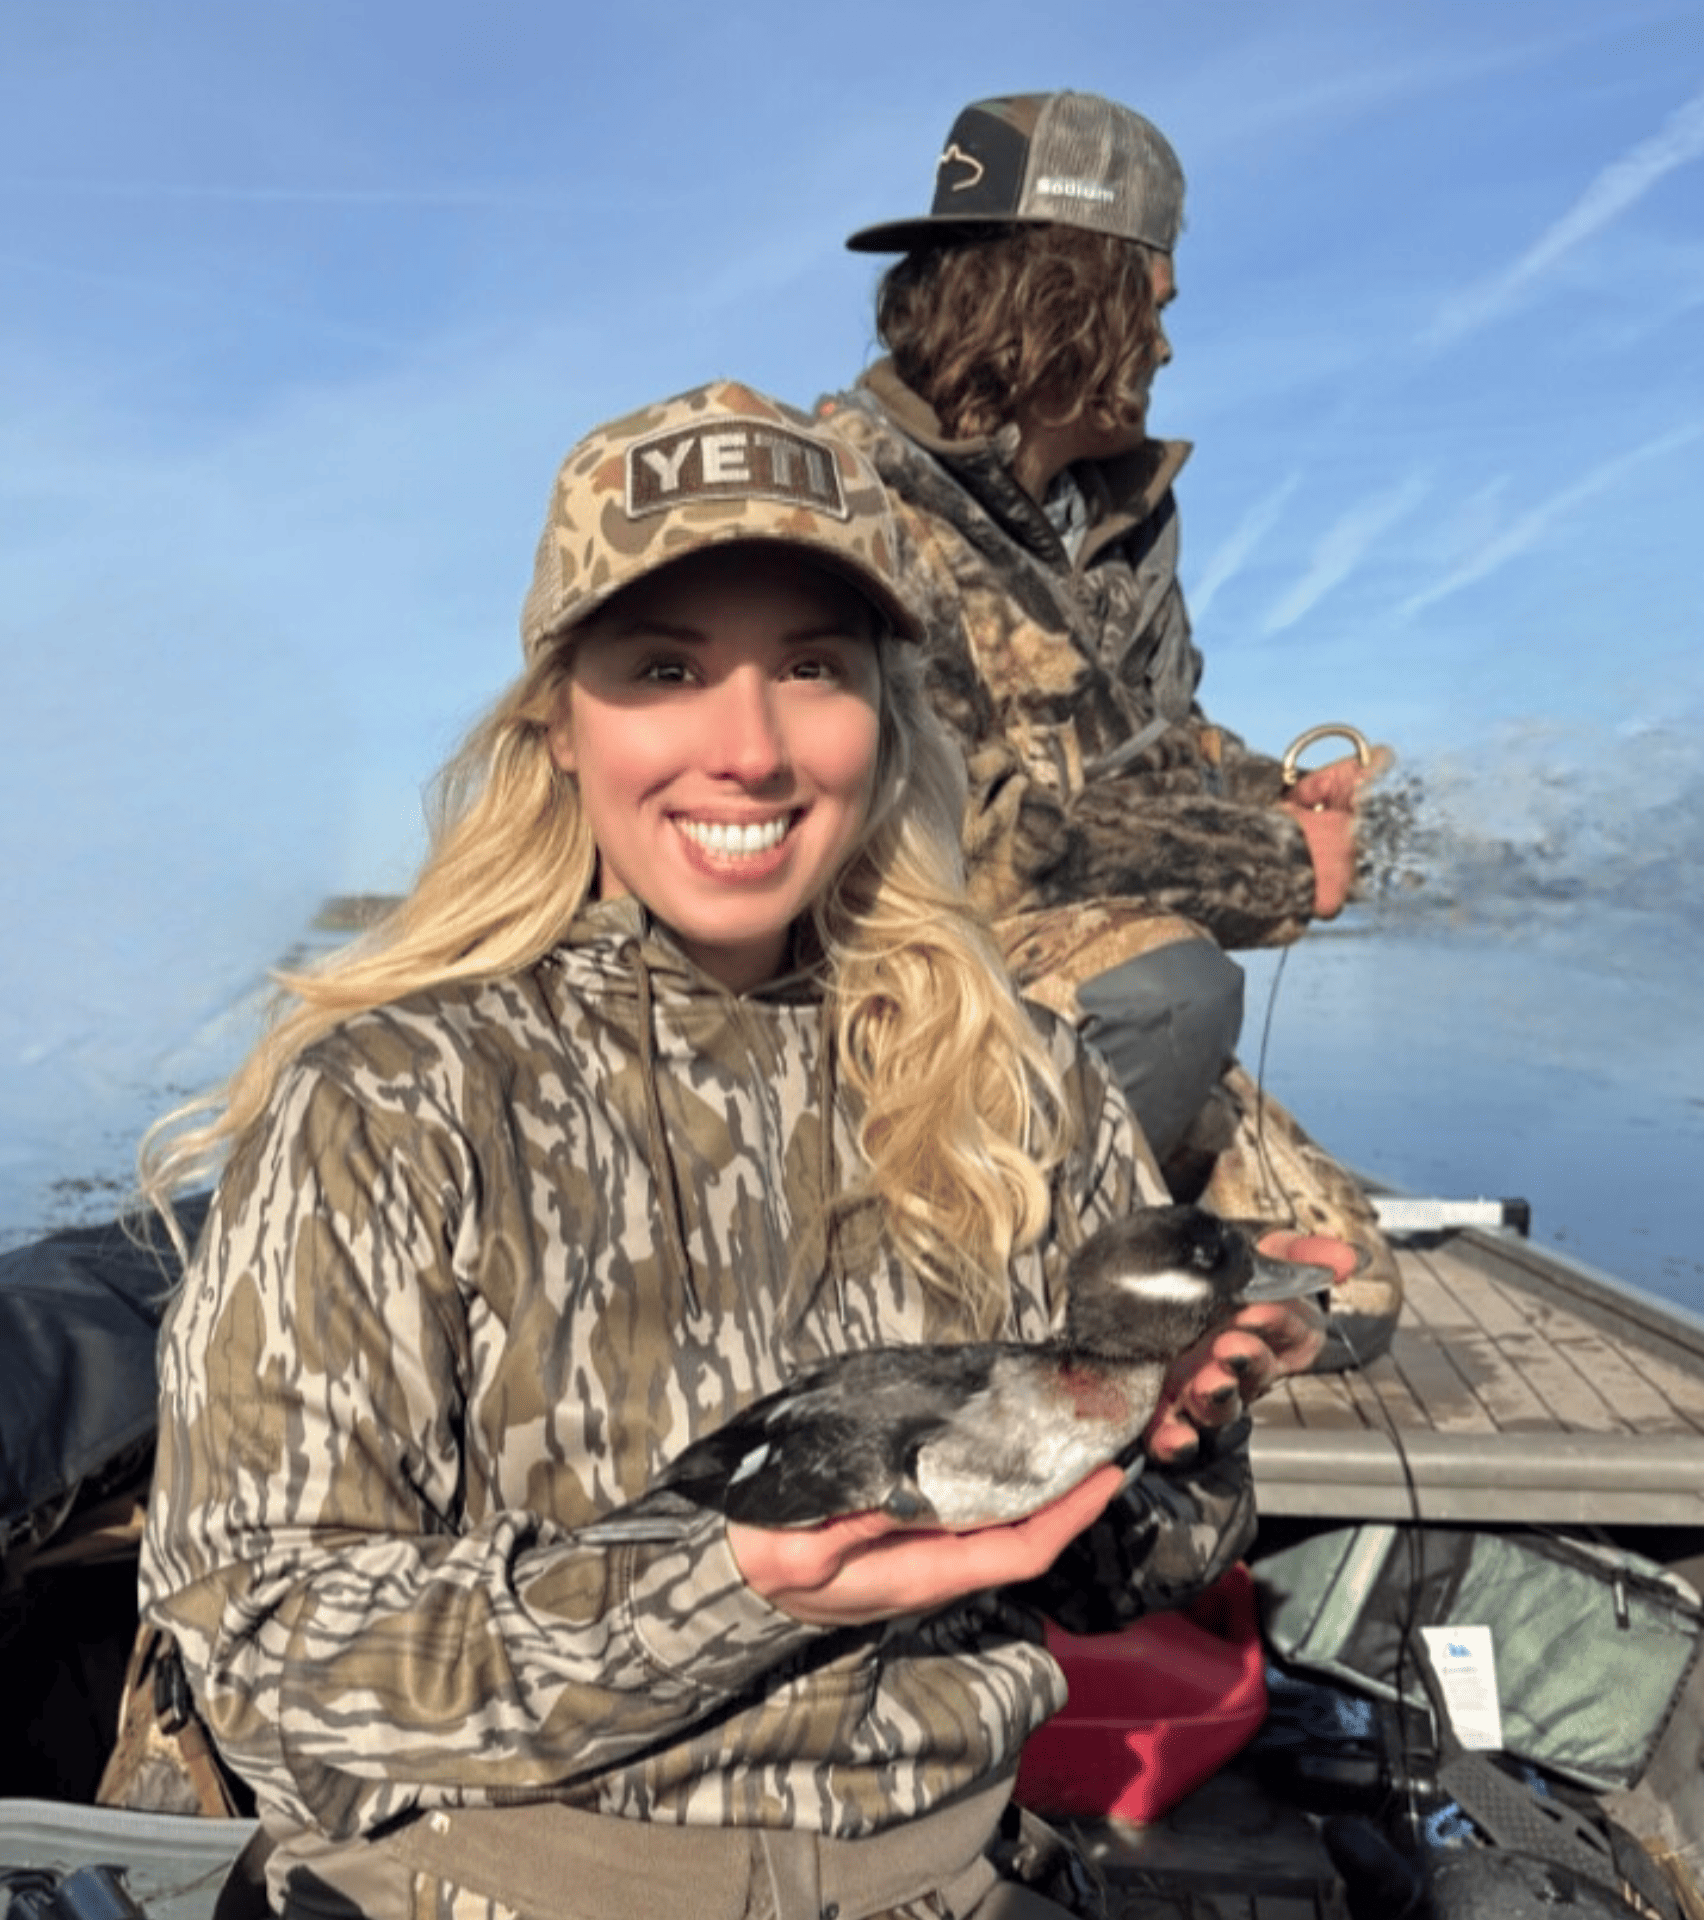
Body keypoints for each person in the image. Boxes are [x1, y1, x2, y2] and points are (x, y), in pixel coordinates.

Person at [137, 380, 1325, 1920]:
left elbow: (1115, 1576)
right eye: (667, 667)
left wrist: (1179, 1445)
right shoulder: (392, 1097)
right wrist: (727, 1586)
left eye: (813, 667)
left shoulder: (1020, 1084)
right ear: (561, 725)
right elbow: (265, 1641)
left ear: (884, 716)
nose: (750, 747)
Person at [817, 91, 1401, 1366]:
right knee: (1173, 986)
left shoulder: (1115, 522)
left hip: (1060, 1000)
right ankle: (937, 1305)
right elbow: (986, 840)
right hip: (894, 1013)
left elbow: (1162, 738)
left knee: (1347, 1303)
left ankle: (1108, 1266)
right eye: (1160, 305)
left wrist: (1291, 796)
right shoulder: (848, 496)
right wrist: (1272, 866)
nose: (1170, 351)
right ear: (1068, 292)